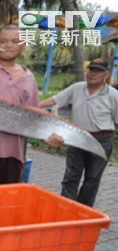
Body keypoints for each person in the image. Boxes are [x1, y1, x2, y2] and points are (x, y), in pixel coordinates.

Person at [0, 24, 63, 187]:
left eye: (15, 41)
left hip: (13, 156)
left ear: (23, 45)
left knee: (3, 208)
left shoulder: (29, 79)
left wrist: (47, 136)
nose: (8, 45)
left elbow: (33, 118)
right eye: (3, 41)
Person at [39, 59, 118, 207]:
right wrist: (32, 105)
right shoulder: (77, 88)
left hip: (101, 140)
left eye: (98, 71)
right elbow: (54, 100)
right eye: (91, 70)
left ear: (106, 74)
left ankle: (83, 212)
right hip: (77, 138)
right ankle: (65, 209)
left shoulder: (113, 95)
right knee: (71, 176)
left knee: (92, 179)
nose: (93, 74)